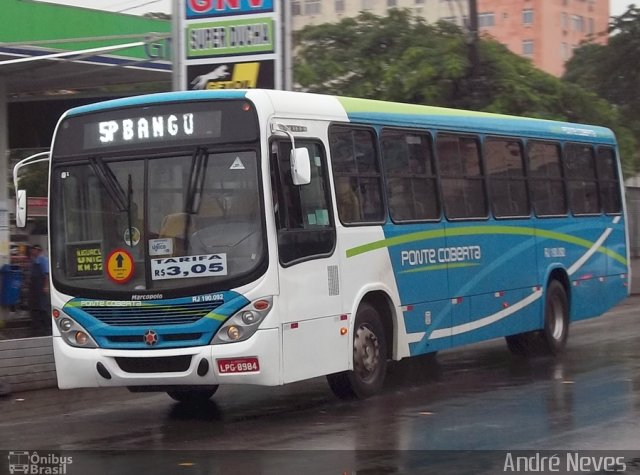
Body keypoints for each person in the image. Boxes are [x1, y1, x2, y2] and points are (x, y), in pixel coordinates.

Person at [28, 244, 50, 336]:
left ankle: (46, 326)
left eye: (33, 250)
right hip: (34, 287)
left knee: (42, 307)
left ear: (38, 250)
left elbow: (46, 274)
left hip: (40, 287)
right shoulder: (34, 260)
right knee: (34, 305)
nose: (32, 251)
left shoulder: (43, 260)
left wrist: (45, 286)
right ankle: (36, 325)